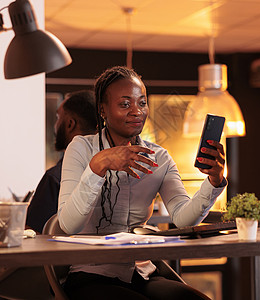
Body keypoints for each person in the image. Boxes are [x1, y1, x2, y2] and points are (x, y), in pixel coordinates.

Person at [58, 66, 227, 300]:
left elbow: (182, 218)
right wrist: (99, 165)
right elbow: (68, 225)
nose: (137, 111)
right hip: (92, 273)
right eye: (125, 104)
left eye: (142, 102)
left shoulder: (160, 157)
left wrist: (214, 180)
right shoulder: (82, 148)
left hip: (142, 272)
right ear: (102, 110)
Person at [26, 90, 97, 233]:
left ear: (70, 124)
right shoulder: (113, 171)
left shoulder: (55, 178)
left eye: (58, 117)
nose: (55, 124)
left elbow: (30, 231)